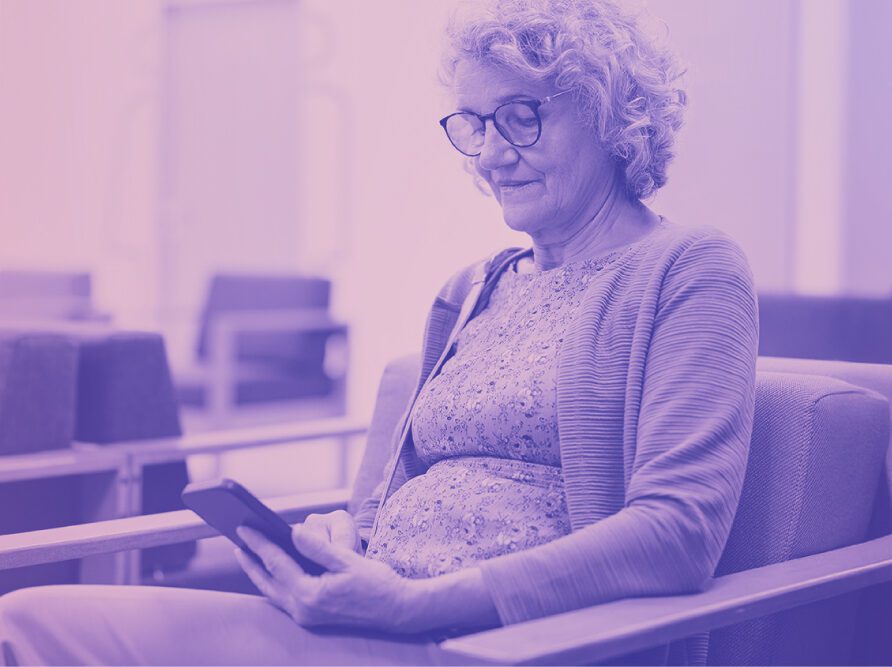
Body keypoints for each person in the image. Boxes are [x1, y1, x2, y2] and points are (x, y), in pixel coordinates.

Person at [0, 0, 758, 664]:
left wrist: (422, 605)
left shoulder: (689, 269)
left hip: (496, 641)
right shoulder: (472, 289)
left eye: (522, 116)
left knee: (34, 627)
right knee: (31, 619)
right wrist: (342, 541)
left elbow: (678, 531)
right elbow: (388, 501)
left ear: (607, 110)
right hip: (369, 622)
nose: (493, 154)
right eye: (476, 124)